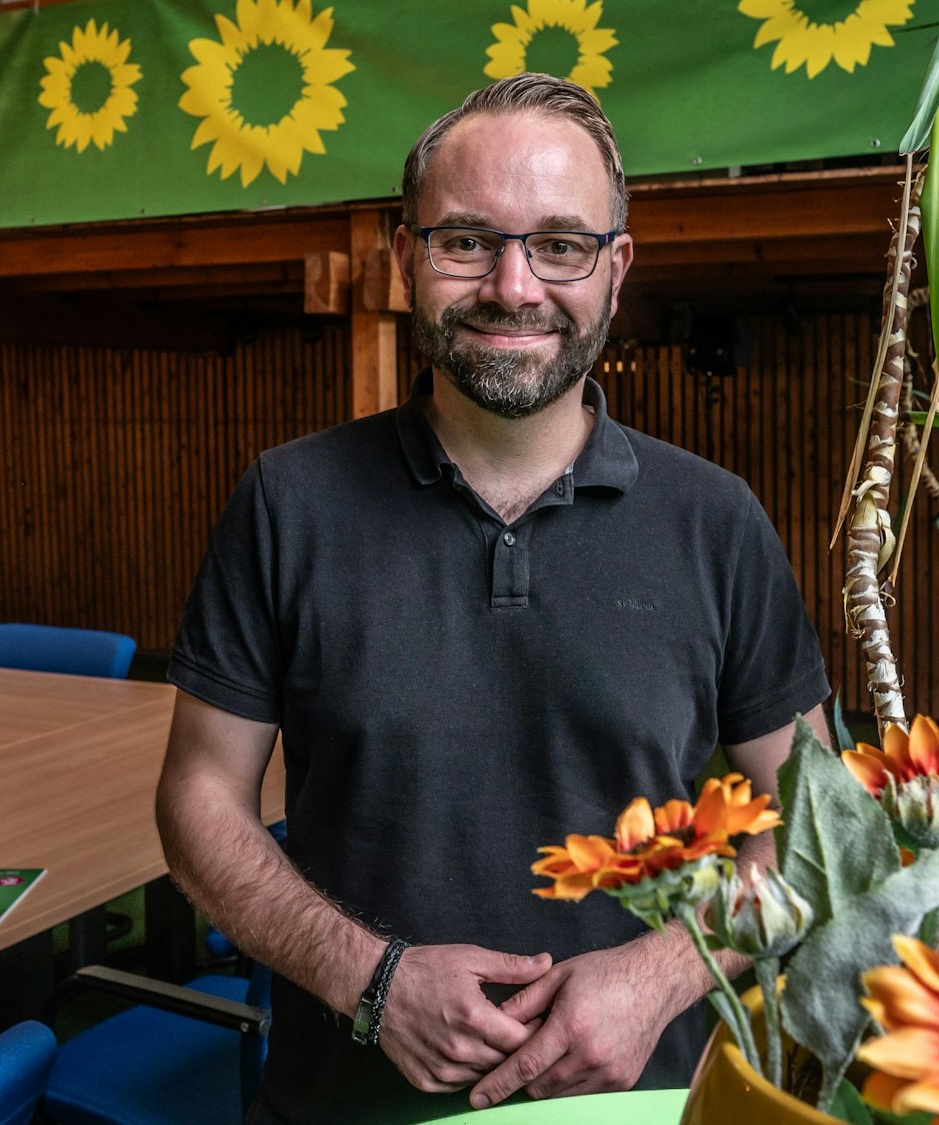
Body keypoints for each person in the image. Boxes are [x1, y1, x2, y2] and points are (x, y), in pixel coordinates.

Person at [157, 72, 831, 1123]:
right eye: (465, 240)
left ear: (616, 270)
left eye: (558, 245)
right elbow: (199, 800)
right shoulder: (287, 501)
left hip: (638, 1104)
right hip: (344, 1101)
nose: (512, 287)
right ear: (402, 259)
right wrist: (367, 979)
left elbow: (815, 820)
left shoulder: (715, 520)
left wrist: (659, 977)